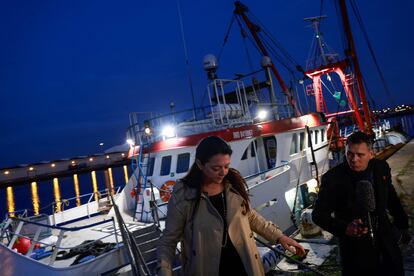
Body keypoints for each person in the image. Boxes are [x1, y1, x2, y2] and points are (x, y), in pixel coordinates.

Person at [157, 136, 305, 276]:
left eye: (226, 166)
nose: (223, 173)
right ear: (200, 164)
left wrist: (280, 237)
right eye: (216, 168)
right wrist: (164, 270)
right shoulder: (183, 195)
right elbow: (168, 240)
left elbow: (249, 216)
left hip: (244, 266)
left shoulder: (232, 183)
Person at [312, 131, 410, 275]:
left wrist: (402, 225)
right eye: (349, 154)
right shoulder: (332, 179)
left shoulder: (381, 168)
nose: (354, 159)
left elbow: (391, 196)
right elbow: (318, 215)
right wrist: (345, 228)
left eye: (360, 155)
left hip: (386, 242)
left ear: (371, 154)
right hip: (354, 250)